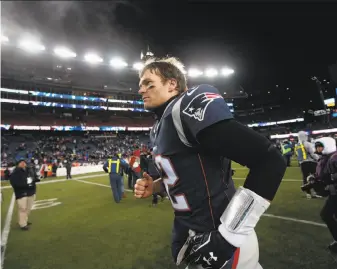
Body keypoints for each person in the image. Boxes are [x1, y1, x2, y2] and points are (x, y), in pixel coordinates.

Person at [134, 57, 287, 269]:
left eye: (149, 84)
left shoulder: (185, 106)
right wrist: (157, 186)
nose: (141, 90)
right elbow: (186, 175)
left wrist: (227, 238)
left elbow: (268, 160)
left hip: (219, 236)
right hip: (193, 234)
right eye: (140, 85)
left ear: (172, 85)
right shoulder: (159, 127)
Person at [313, 137, 337, 253]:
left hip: (335, 193)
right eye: (317, 146)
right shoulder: (326, 157)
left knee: (326, 214)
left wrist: (330, 185)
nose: (318, 149)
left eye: (320, 146)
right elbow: (323, 175)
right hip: (333, 193)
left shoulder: (334, 157)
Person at [9, 159, 37, 231]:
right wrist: (26, 185)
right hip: (21, 193)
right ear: (18, 164)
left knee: (28, 208)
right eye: (21, 162)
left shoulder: (29, 170)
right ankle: (23, 224)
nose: (23, 163)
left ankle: (24, 220)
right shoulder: (15, 172)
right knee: (22, 209)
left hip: (30, 192)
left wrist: (33, 183)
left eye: (24, 162)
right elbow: (14, 183)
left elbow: (33, 178)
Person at [296, 131, 320, 199]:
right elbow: (313, 153)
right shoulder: (307, 144)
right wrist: (318, 159)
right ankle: (315, 192)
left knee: (305, 177)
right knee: (314, 177)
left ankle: (308, 193)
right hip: (311, 162)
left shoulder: (297, 145)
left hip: (302, 163)